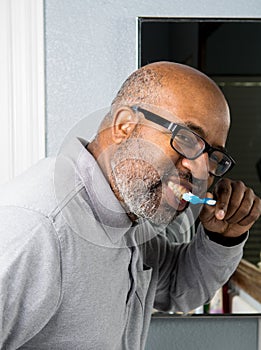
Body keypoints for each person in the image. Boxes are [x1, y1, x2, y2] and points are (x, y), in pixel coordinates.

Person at [0, 61, 260, 350]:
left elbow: (176, 287)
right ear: (124, 125)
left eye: (212, 157)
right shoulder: (38, 229)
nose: (200, 170)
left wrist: (224, 237)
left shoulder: (128, 213)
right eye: (186, 139)